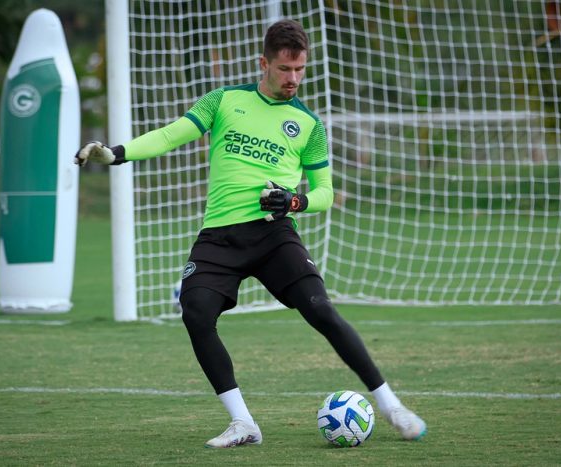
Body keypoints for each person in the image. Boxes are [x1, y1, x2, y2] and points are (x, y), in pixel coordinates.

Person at [74, 19, 426, 448]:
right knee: (196, 312)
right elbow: (169, 136)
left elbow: (326, 193)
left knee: (321, 310)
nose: (293, 78)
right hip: (219, 236)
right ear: (264, 63)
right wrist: (116, 154)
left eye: (300, 69)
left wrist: (294, 201)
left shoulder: (309, 125)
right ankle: (243, 422)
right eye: (284, 69)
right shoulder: (224, 100)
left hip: (273, 234)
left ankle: (392, 406)